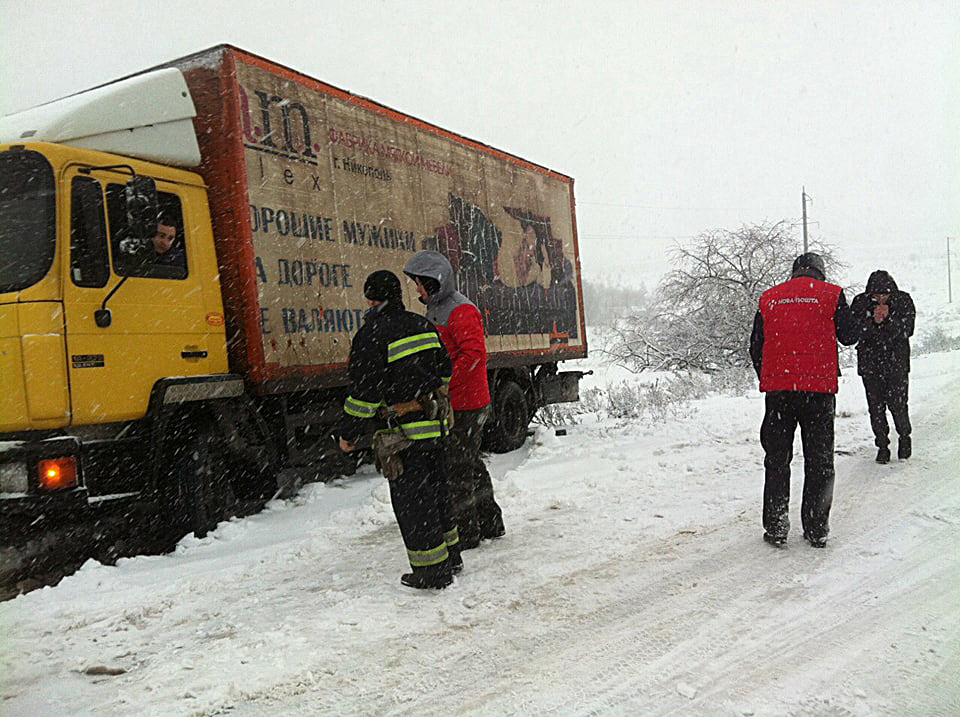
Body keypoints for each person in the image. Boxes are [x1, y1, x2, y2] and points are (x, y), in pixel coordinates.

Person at [337, 270, 461, 589]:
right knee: (438, 493)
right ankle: (452, 557)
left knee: (413, 503)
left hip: (402, 437)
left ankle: (432, 571)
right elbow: (444, 371)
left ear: (371, 299)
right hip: (434, 428)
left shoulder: (371, 334)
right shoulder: (423, 325)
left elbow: (364, 394)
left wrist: (349, 434)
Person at [749, 252, 858, 548]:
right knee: (819, 461)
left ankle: (776, 526)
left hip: (779, 394)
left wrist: (770, 377)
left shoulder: (770, 298)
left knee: (777, 460)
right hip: (818, 394)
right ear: (820, 274)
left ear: (794, 272)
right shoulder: (831, 295)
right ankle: (816, 528)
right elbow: (849, 336)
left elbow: (756, 346)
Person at [403, 250, 505, 549]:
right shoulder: (438, 308)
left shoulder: (460, 310)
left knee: (457, 469)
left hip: (467, 403)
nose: (417, 289)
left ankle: (467, 534)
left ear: (435, 282)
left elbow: (473, 355)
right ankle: (490, 522)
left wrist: (445, 383)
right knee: (469, 464)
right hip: (457, 402)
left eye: (420, 283)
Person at [850, 270, 915, 463]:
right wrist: (873, 322)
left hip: (896, 363)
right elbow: (854, 331)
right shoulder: (860, 303)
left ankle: (904, 437)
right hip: (871, 365)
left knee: (898, 404)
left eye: (885, 295)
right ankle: (882, 445)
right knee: (876, 408)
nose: (881, 299)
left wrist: (888, 321)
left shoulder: (903, 301)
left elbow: (907, 329)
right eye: (876, 296)